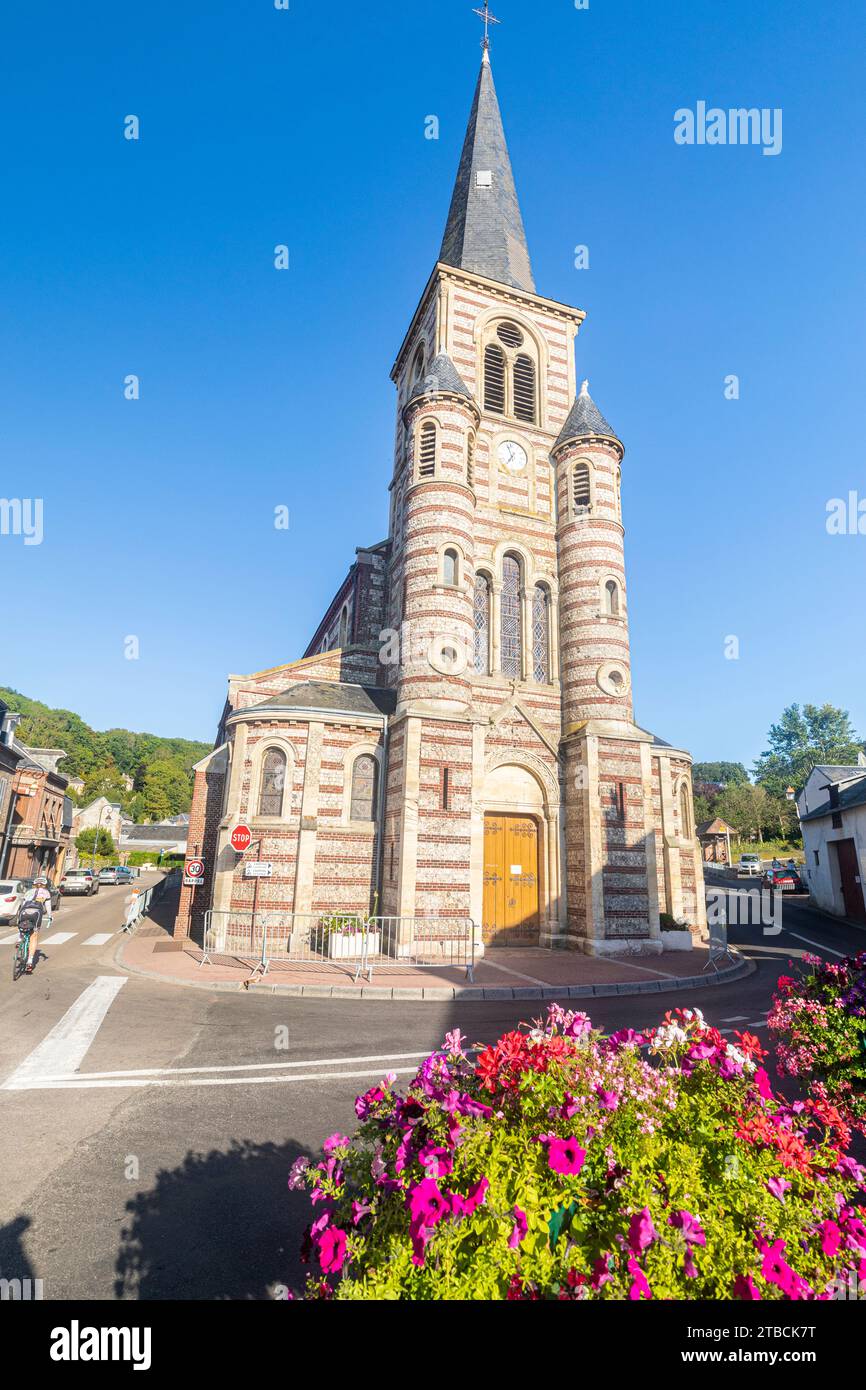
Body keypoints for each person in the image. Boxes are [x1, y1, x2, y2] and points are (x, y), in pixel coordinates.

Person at [19, 875, 52, 974]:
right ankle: (29, 961)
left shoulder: (28, 892)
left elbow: (22, 905)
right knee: (34, 936)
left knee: (21, 926)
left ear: (34, 884)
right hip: (36, 913)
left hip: (24, 912)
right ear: (44, 885)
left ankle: (19, 939)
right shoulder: (46, 893)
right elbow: (48, 906)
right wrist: (50, 916)